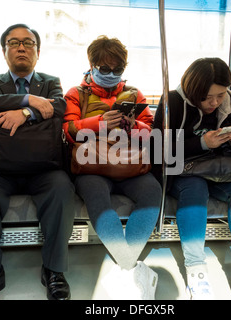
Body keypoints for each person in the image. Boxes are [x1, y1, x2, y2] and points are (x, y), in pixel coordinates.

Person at [0, 24, 75, 300]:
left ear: (38, 51)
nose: (22, 47)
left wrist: (25, 112)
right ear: (5, 51)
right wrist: (30, 99)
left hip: (43, 166)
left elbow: (59, 106)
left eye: (28, 43)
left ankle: (54, 269)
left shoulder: (50, 80)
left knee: (62, 189)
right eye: (14, 43)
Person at [154, 57, 231, 300]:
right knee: (194, 190)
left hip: (222, 168)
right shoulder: (171, 101)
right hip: (185, 170)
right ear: (193, 90)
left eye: (220, 95)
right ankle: (196, 270)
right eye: (206, 97)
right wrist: (202, 143)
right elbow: (159, 149)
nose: (214, 102)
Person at [63, 35, 161, 299]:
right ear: (92, 65)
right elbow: (68, 131)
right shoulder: (76, 94)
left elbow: (150, 131)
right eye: (104, 69)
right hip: (92, 164)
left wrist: (133, 125)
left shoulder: (135, 94)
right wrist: (99, 122)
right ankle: (131, 267)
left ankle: (123, 267)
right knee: (97, 197)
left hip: (130, 162)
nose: (110, 74)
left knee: (153, 194)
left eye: (117, 70)